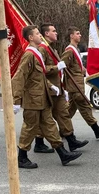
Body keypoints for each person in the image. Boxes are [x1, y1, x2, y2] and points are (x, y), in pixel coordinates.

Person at [12, 25, 82, 168]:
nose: (40, 36)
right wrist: (16, 100)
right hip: (32, 100)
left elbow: (39, 77)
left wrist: (51, 86)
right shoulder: (29, 55)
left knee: (50, 126)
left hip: (42, 98)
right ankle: (21, 157)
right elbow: (19, 77)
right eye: (38, 34)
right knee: (30, 128)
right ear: (31, 37)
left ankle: (63, 153)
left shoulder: (36, 53)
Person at [35, 23, 88, 152]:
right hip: (48, 89)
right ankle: (39, 143)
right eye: (54, 31)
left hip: (57, 89)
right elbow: (39, 69)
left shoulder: (51, 48)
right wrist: (56, 67)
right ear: (46, 34)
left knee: (63, 114)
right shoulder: (42, 49)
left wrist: (62, 86)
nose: (56, 33)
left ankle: (71, 140)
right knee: (44, 119)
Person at [61, 26, 99, 139]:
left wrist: (88, 72)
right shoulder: (69, 50)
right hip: (74, 85)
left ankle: (62, 130)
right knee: (85, 106)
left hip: (78, 84)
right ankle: (97, 130)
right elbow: (63, 66)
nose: (80, 35)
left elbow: (77, 67)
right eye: (77, 33)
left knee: (70, 110)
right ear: (71, 36)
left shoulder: (76, 49)